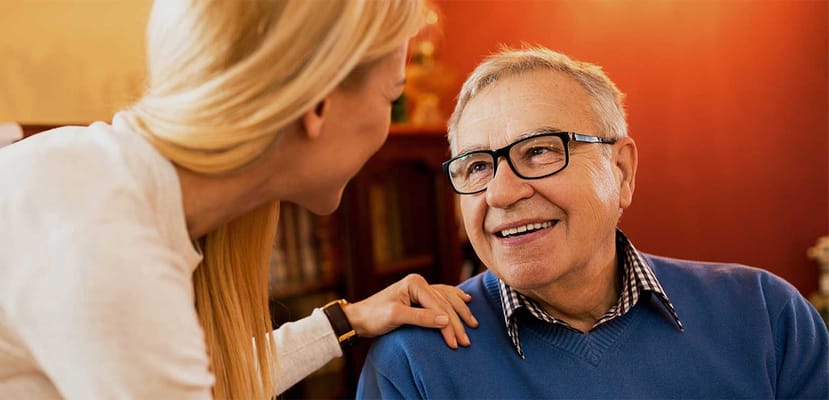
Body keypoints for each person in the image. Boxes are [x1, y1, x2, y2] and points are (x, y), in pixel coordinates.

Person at [0, 1, 479, 399]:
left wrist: (345, 320)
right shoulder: (107, 249)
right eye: (389, 96)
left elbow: (195, 378)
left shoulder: (101, 181)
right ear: (318, 104)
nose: (385, 131)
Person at [357, 47, 829, 399]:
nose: (500, 193)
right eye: (477, 166)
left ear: (621, 171)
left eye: (539, 151)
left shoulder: (767, 317)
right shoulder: (412, 363)